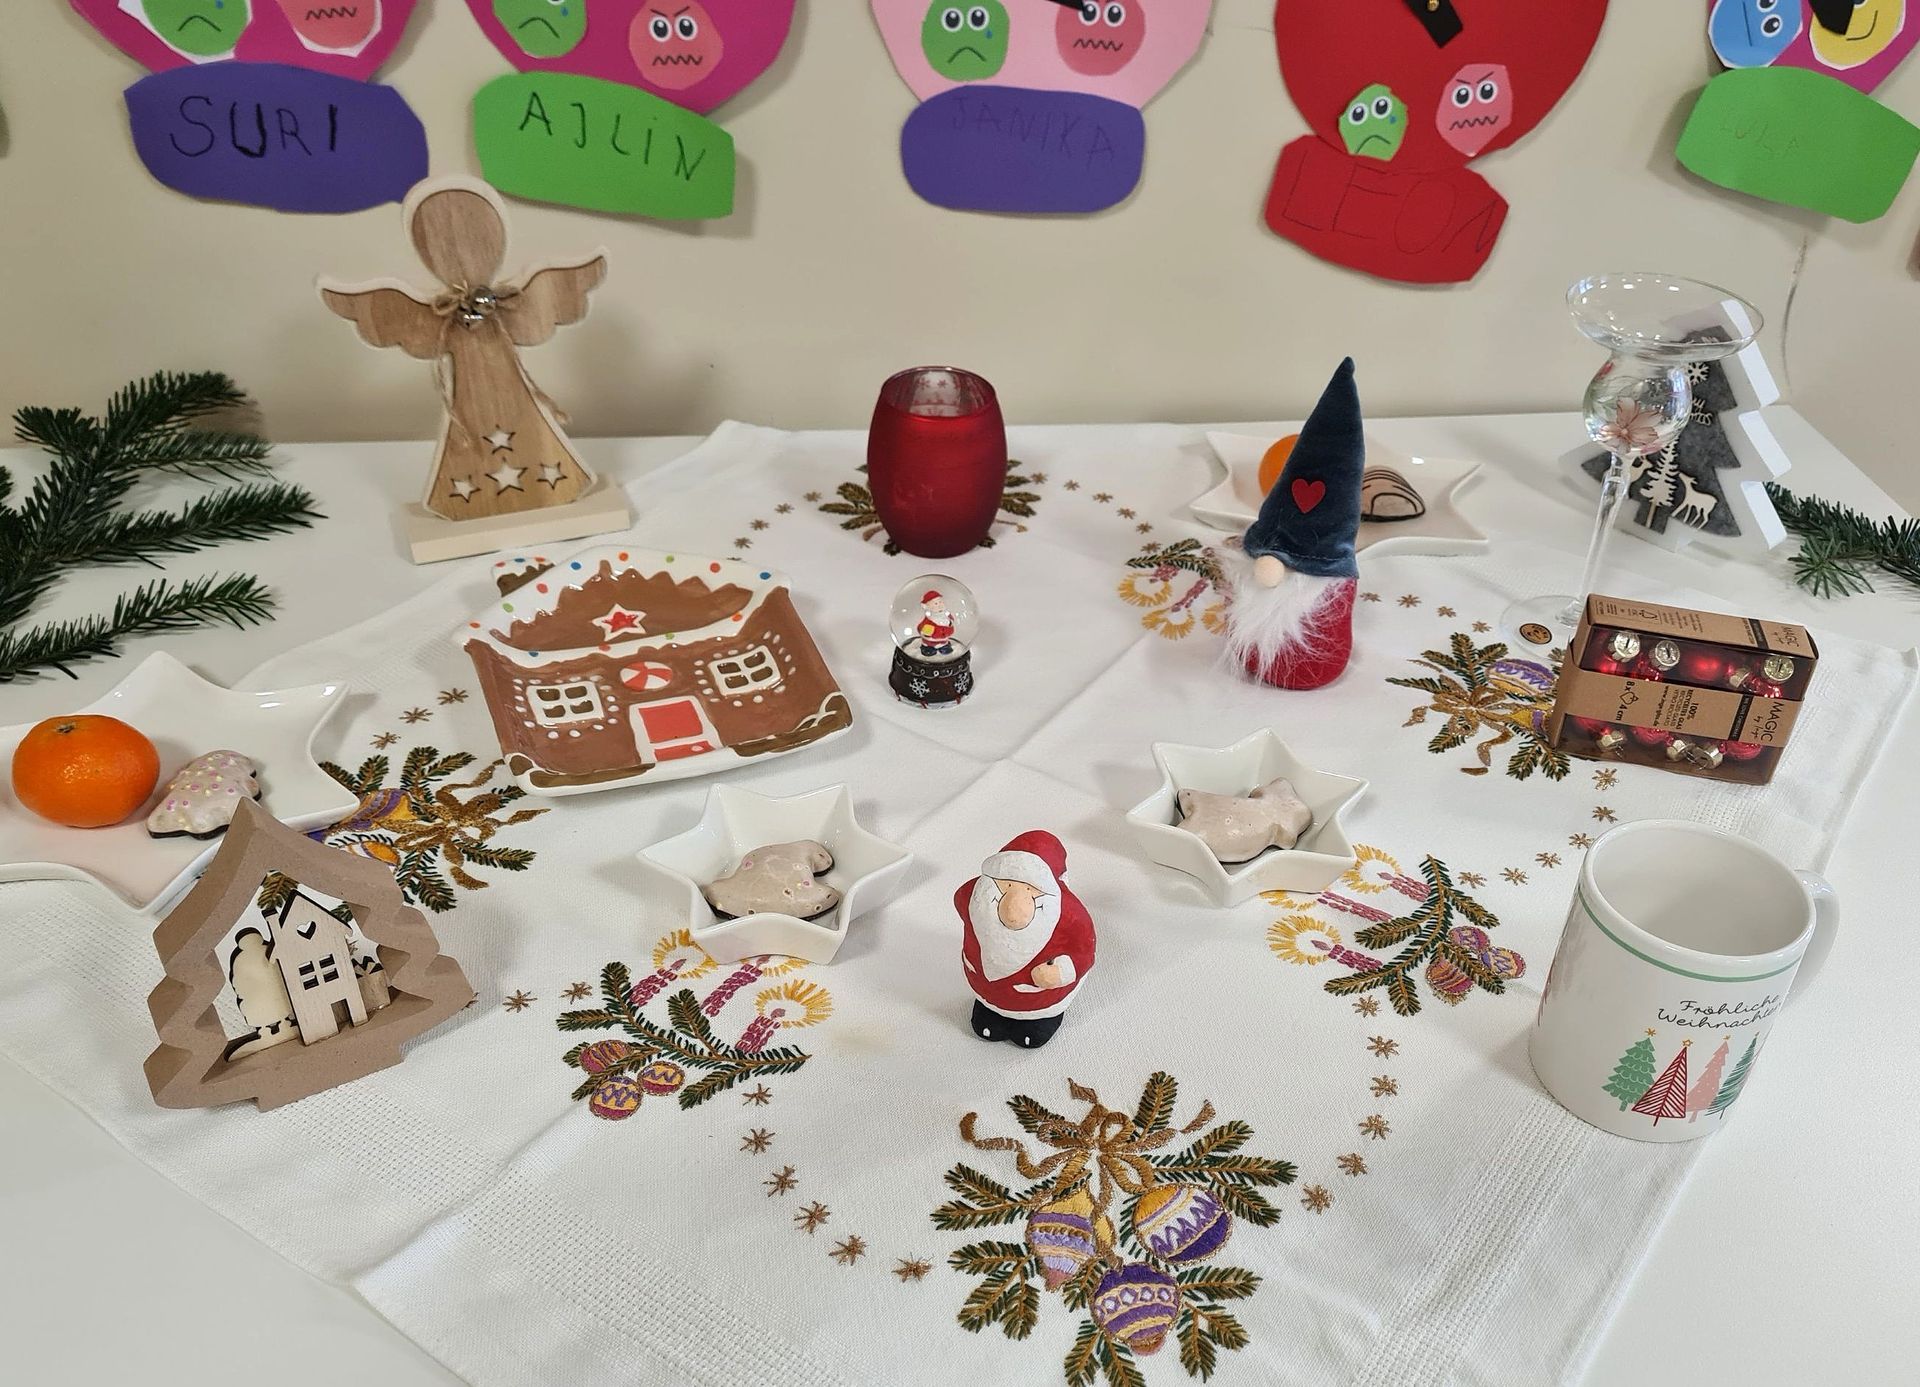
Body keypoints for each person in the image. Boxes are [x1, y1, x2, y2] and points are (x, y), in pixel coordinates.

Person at [955, 831, 1096, 1050]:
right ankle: (990, 1009)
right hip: (985, 988)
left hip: (1039, 999)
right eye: (1007, 885)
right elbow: (960, 901)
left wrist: (1060, 972)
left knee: (1034, 1027)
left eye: (1031, 889)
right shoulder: (973, 894)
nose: (1013, 909)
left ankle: (1038, 1020)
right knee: (988, 1015)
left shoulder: (1068, 913)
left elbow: (1084, 950)